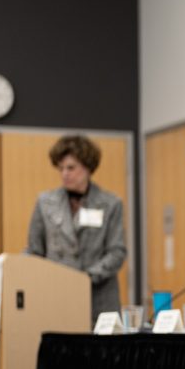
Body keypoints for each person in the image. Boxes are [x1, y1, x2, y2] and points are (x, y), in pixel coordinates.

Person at [26, 134, 126, 323]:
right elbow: (34, 250)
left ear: (87, 168)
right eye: (61, 168)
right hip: (56, 296)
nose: (65, 174)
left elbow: (117, 252)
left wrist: (84, 279)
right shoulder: (45, 203)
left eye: (71, 168)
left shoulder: (111, 203)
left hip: (98, 300)